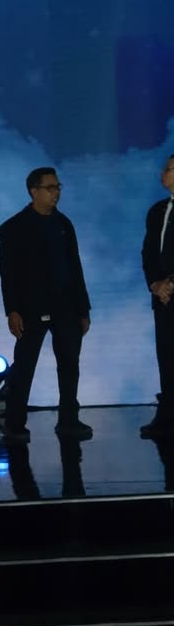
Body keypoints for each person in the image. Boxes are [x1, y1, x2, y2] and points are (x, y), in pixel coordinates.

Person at [0, 167, 93, 442]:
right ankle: (15, 422)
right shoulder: (14, 228)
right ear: (34, 191)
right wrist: (12, 310)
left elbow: (75, 268)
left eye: (58, 187)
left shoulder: (64, 224)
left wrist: (83, 309)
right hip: (31, 307)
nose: (56, 193)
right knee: (25, 365)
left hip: (66, 305)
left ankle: (68, 420)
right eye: (50, 188)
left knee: (70, 364)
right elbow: (8, 274)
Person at [140, 155, 174, 439]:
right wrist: (155, 284)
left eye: (169, 169)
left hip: (170, 290)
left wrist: (171, 283)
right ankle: (167, 416)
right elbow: (148, 253)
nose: (163, 172)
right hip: (162, 299)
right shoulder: (156, 211)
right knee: (167, 357)